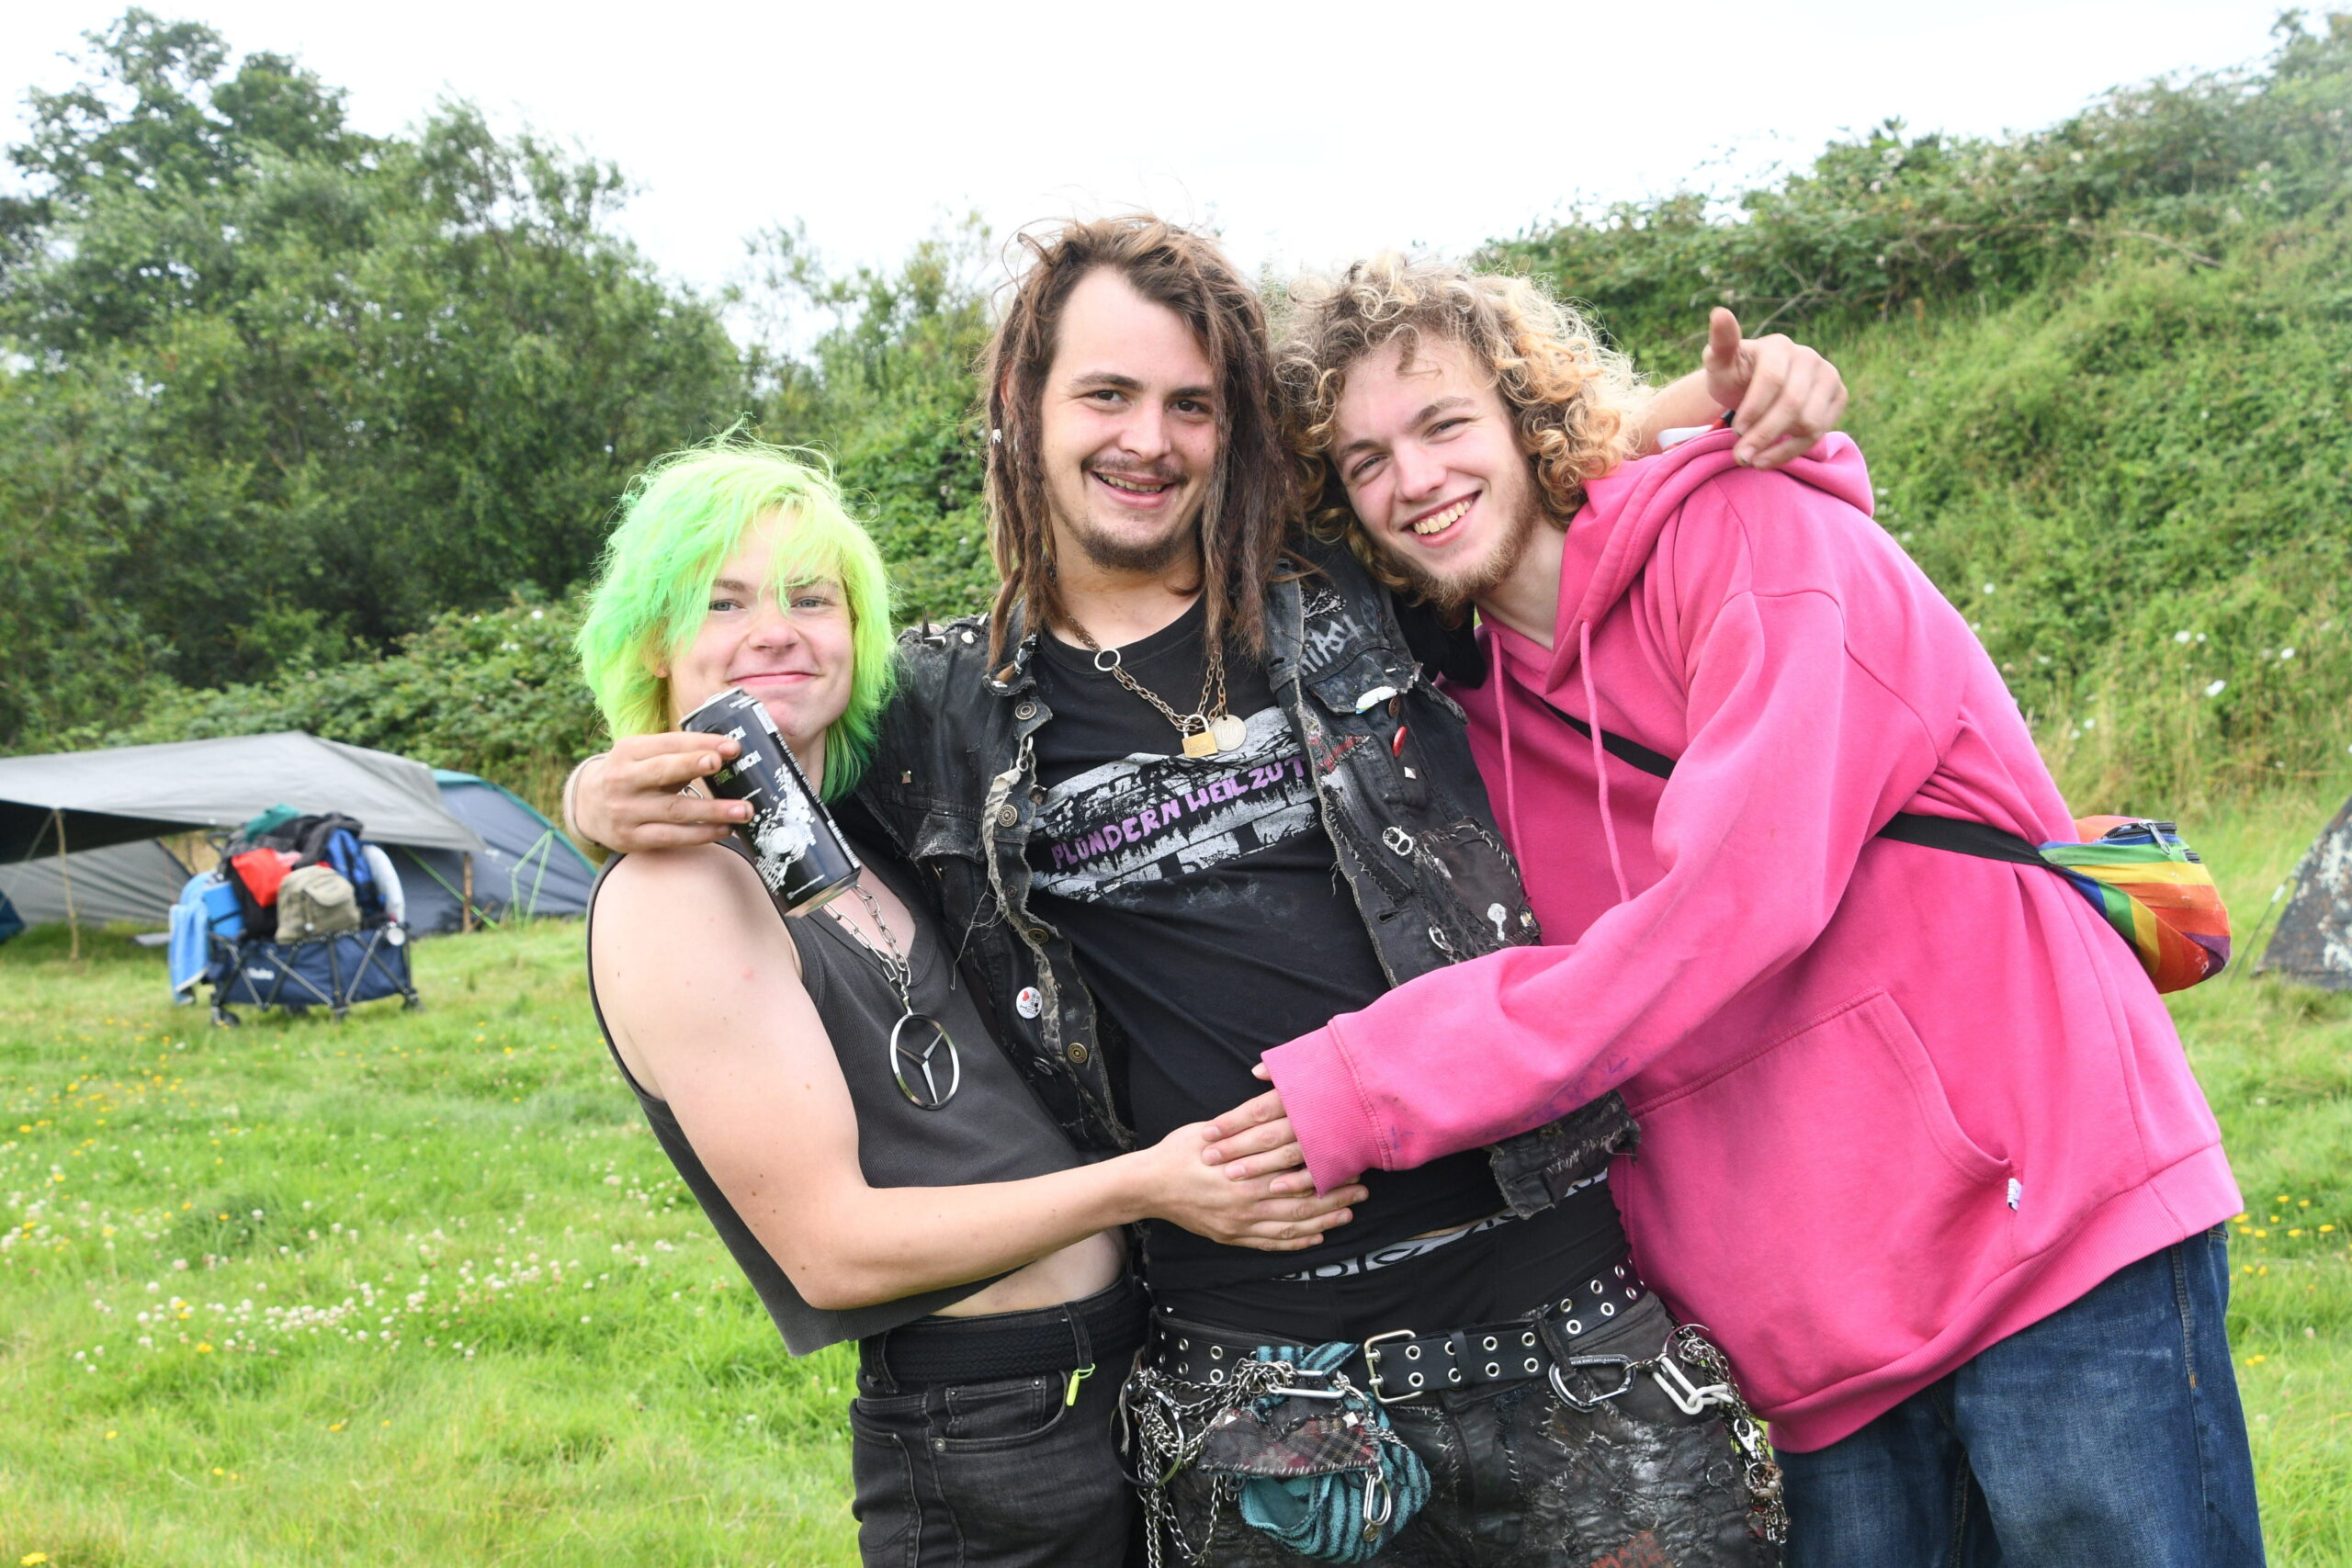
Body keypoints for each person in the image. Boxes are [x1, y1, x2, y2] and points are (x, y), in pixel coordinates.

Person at [569, 216, 1851, 1566]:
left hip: (1563, 1325)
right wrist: (600, 791)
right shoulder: (935, 709)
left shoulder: (1356, 593)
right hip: (1256, 1390)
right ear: (1024, 410)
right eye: (1107, 394)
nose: (1149, 438)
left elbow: (1514, 499)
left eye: (1191, 403)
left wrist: (1730, 397)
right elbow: (757, 718)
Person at [1215, 253, 2263, 1566]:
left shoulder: (1758, 544)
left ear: (1528, 420)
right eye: (1366, 462)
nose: (1414, 479)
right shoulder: (1464, 722)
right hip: (1814, 1334)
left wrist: (1375, 1082)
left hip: (2045, 1228)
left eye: (1444, 424)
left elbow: (1736, 898)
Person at [574, 441, 1368, 1568]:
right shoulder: (678, 896)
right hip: (986, 1437)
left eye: (814, 597)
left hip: (1121, 1374)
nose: (777, 629)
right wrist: (1154, 1184)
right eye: (723, 601)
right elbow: (830, 1251)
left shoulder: (867, 825)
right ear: (651, 642)